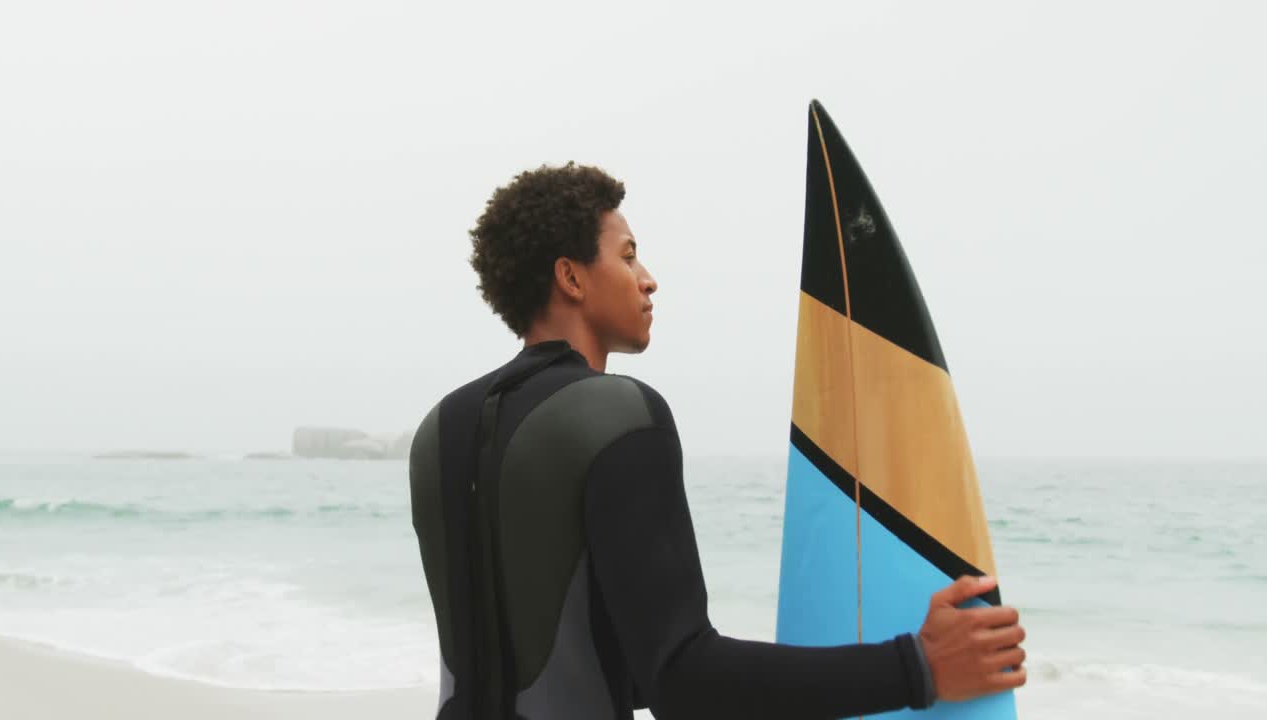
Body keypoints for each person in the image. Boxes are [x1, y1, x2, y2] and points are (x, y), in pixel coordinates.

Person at [408, 163, 1027, 720]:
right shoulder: (614, 414)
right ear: (570, 277)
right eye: (627, 257)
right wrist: (916, 667)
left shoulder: (441, 430)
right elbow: (683, 681)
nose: (647, 280)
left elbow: (541, 664)